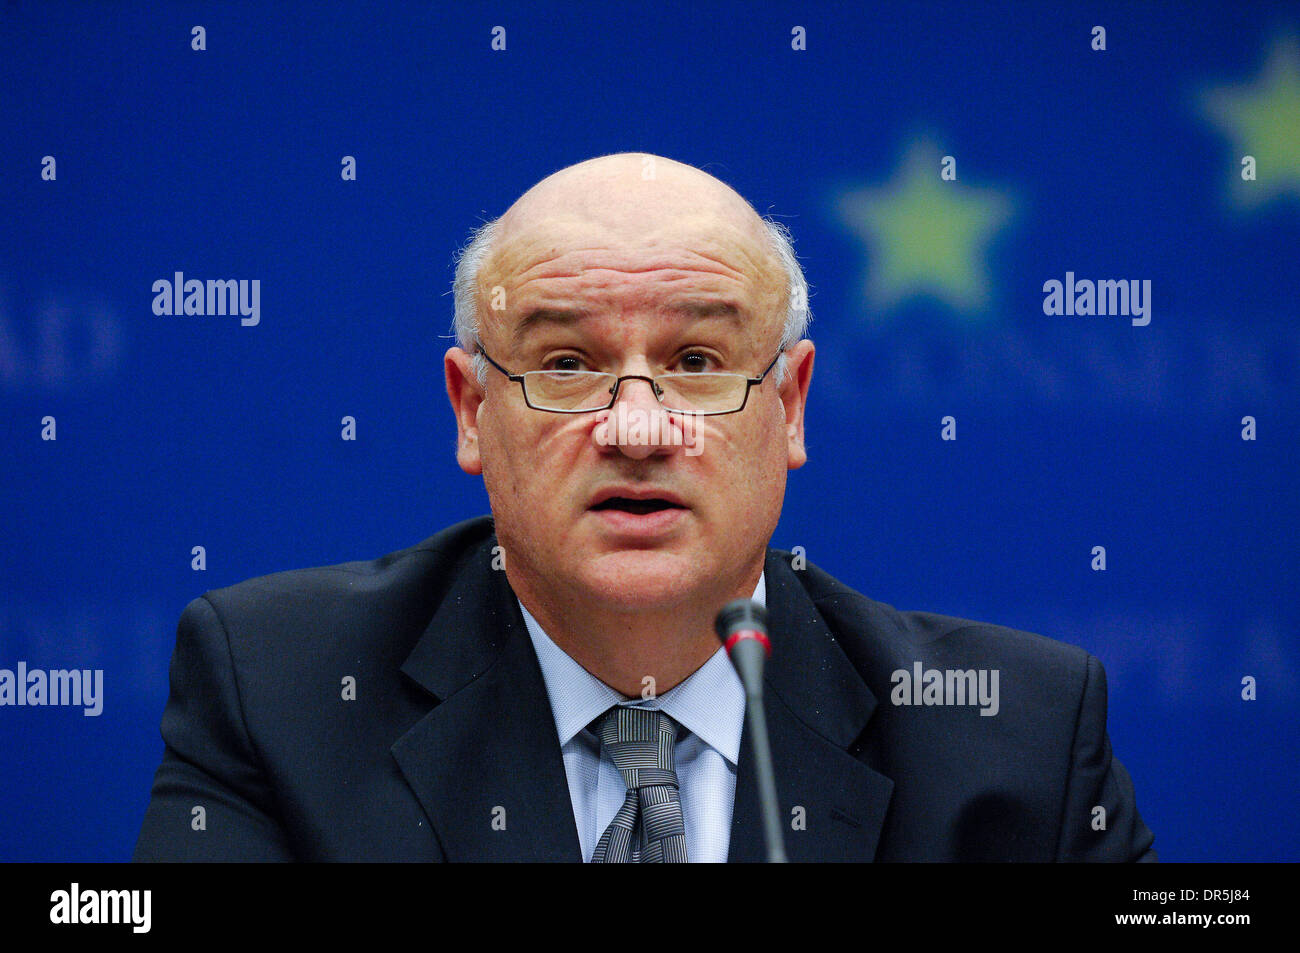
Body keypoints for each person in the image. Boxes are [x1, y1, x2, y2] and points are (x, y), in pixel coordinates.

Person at [134, 152, 1156, 862]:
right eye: (567, 363)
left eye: (699, 362)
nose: (638, 427)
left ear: (790, 405)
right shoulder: (278, 692)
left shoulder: (1012, 740)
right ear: (470, 409)